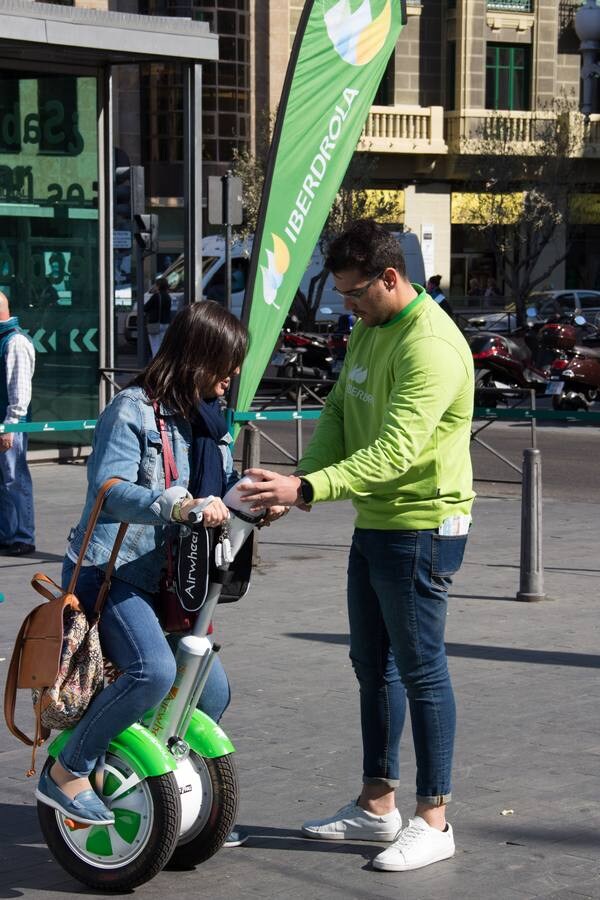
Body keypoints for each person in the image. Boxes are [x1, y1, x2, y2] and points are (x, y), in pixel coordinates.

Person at [238, 219, 475, 873]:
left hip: (424, 525)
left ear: (390, 278)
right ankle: (378, 807)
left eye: (354, 294)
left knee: (422, 669)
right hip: (377, 524)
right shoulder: (372, 330)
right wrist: (298, 484)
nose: (348, 307)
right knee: (372, 664)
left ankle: (435, 819)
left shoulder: (431, 347)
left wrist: (307, 487)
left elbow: (396, 453)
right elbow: (341, 410)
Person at [35, 301, 284, 830]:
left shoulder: (207, 421)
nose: (232, 376)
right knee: (154, 672)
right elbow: (109, 489)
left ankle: (160, 799)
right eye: (226, 363)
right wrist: (177, 504)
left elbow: (218, 489)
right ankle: (67, 770)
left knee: (211, 693)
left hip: (175, 581)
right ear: (199, 358)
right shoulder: (132, 410)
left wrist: (255, 501)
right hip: (113, 572)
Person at [0, 291, 36, 556]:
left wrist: (10, 425)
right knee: (5, 480)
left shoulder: (15, 342)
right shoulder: (6, 340)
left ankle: (23, 536)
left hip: (10, 423)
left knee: (15, 478)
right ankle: (8, 533)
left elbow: (19, 390)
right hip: (6, 421)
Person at [144, 276, 172, 357]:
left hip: (155, 324)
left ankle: (156, 365)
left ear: (158, 286)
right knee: (163, 347)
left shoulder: (156, 296)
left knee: (155, 346)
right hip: (166, 323)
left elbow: (145, 307)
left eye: (156, 285)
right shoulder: (168, 297)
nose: (155, 286)